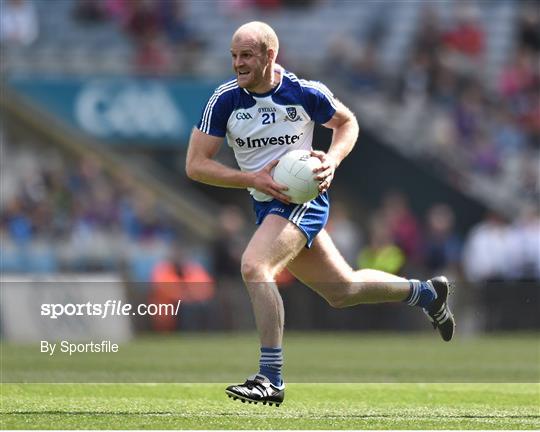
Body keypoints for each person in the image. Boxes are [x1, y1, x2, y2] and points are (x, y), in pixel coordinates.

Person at [185, 21, 455, 406]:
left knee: (254, 267)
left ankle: (270, 378)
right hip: (266, 203)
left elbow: (347, 123)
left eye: (246, 55)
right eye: (233, 56)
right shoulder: (225, 100)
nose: (238, 64)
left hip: (301, 200)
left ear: (269, 55)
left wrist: (331, 159)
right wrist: (252, 179)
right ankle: (426, 293)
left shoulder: (304, 92)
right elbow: (195, 165)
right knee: (343, 291)